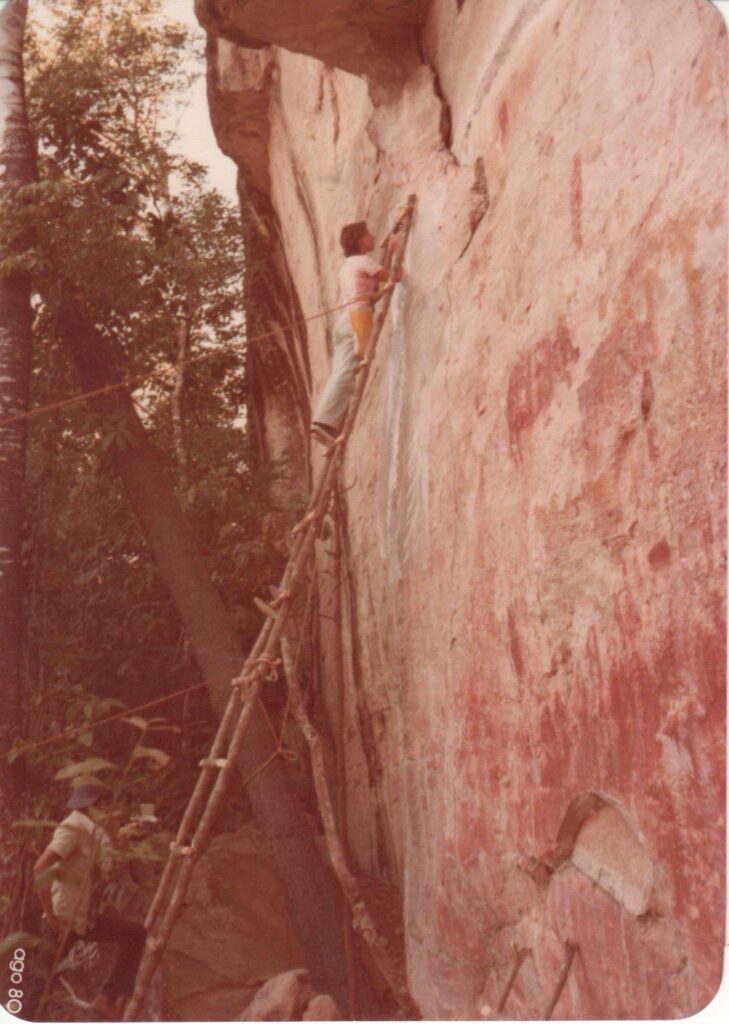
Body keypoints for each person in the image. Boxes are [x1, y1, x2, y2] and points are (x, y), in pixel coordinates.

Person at [34, 782, 146, 1018]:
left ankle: (107, 998)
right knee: (38, 990)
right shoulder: (72, 828)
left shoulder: (92, 831)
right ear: (94, 804)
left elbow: (107, 867)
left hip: (84, 919)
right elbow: (40, 868)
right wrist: (51, 917)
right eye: (103, 803)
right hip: (62, 920)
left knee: (135, 933)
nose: (107, 807)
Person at [310, 220, 401, 446]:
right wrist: (395, 249)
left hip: (346, 320)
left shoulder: (348, 265)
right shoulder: (363, 261)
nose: (372, 237)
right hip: (356, 319)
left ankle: (326, 423)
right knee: (346, 373)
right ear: (360, 241)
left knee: (342, 371)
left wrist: (388, 260)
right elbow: (394, 277)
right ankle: (322, 423)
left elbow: (372, 293)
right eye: (367, 234)